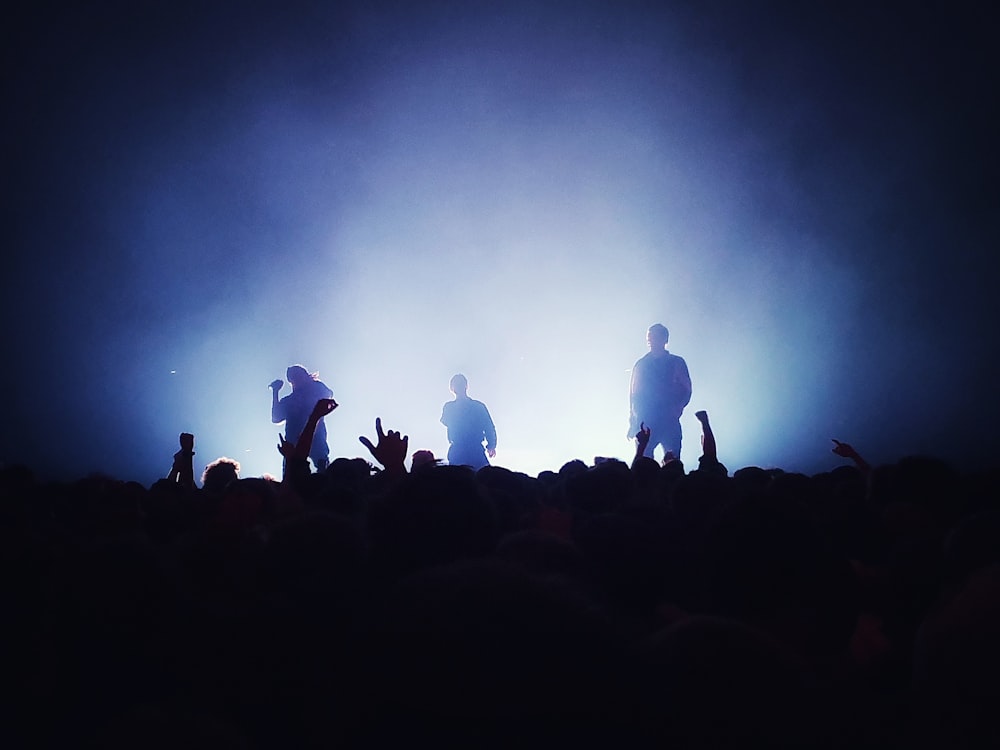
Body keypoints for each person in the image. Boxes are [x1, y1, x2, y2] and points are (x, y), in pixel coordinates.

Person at [628, 323, 692, 461]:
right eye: (650, 337)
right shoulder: (641, 364)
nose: (651, 340)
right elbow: (634, 394)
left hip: (668, 419)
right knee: (644, 463)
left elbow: (686, 389)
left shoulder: (676, 362)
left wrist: (677, 408)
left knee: (671, 461)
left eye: (655, 337)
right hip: (647, 420)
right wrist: (633, 421)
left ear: (665, 339)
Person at [270, 364, 335, 470]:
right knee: (292, 471)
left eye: (299, 375)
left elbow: (327, 394)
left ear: (305, 375)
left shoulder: (316, 387)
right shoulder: (289, 400)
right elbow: (276, 417)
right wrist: (275, 391)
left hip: (315, 435)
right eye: (293, 377)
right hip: (293, 440)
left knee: (322, 465)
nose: (297, 379)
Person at [440, 373, 497, 470]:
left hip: (460, 450)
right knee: (483, 479)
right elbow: (489, 427)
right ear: (466, 386)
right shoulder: (478, 406)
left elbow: (445, 421)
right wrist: (491, 445)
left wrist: (491, 444)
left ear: (452, 388)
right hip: (473, 450)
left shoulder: (449, 407)